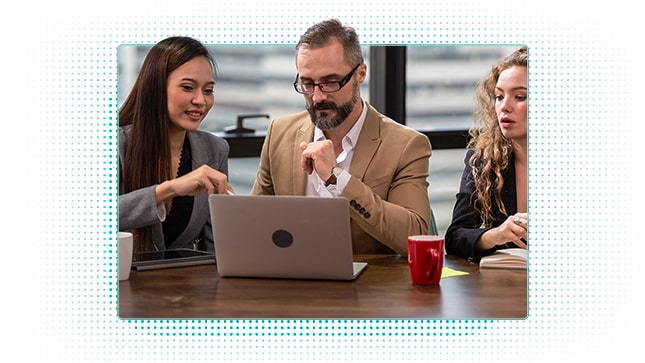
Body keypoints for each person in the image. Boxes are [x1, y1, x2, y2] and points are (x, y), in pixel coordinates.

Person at [250, 19, 432, 255]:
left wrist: (338, 179)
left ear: (361, 74)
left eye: (330, 83)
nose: (317, 97)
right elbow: (256, 221)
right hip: (291, 282)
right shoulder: (279, 133)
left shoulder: (406, 145)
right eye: (307, 83)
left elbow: (415, 236)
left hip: (368, 286)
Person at [118, 36, 234, 256]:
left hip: (184, 285)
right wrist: (169, 189)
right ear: (156, 87)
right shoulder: (116, 144)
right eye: (188, 87)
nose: (201, 100)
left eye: (208, 90)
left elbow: (214, 247)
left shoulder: (215, 149)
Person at [445, 46, 528, 260]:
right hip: (505, 283)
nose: (504, 107)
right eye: (499, 97)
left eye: (519, 97)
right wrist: (497, 234)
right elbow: (455, 237)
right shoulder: (482, 160)